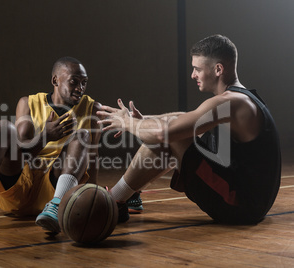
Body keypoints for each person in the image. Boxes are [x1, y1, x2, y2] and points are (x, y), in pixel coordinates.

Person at [98, 35, 281, 225]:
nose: (193, 75)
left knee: (172, 136)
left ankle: (112, 201)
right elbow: (182, 118)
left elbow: (165, 132)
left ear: (218, 69)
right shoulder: (239, 98)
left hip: (241, 205)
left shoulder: (231, 103)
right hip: (248, 200)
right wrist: (145, 121)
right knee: (176, 130)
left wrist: (127, 124)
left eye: (197, 69)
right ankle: (120, 198)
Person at [0, 57, 103, 235]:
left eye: (84, 83)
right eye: (74, 81)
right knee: (4, 128)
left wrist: (96, 198)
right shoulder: (28, 103)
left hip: (56, 189)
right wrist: (46, 136)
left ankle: (56, 206)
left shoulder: (92, 108)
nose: (80, 88)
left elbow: (93, 156)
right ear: (55, 80)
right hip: (19, 189)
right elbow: (21, 153)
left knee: (82, 136)